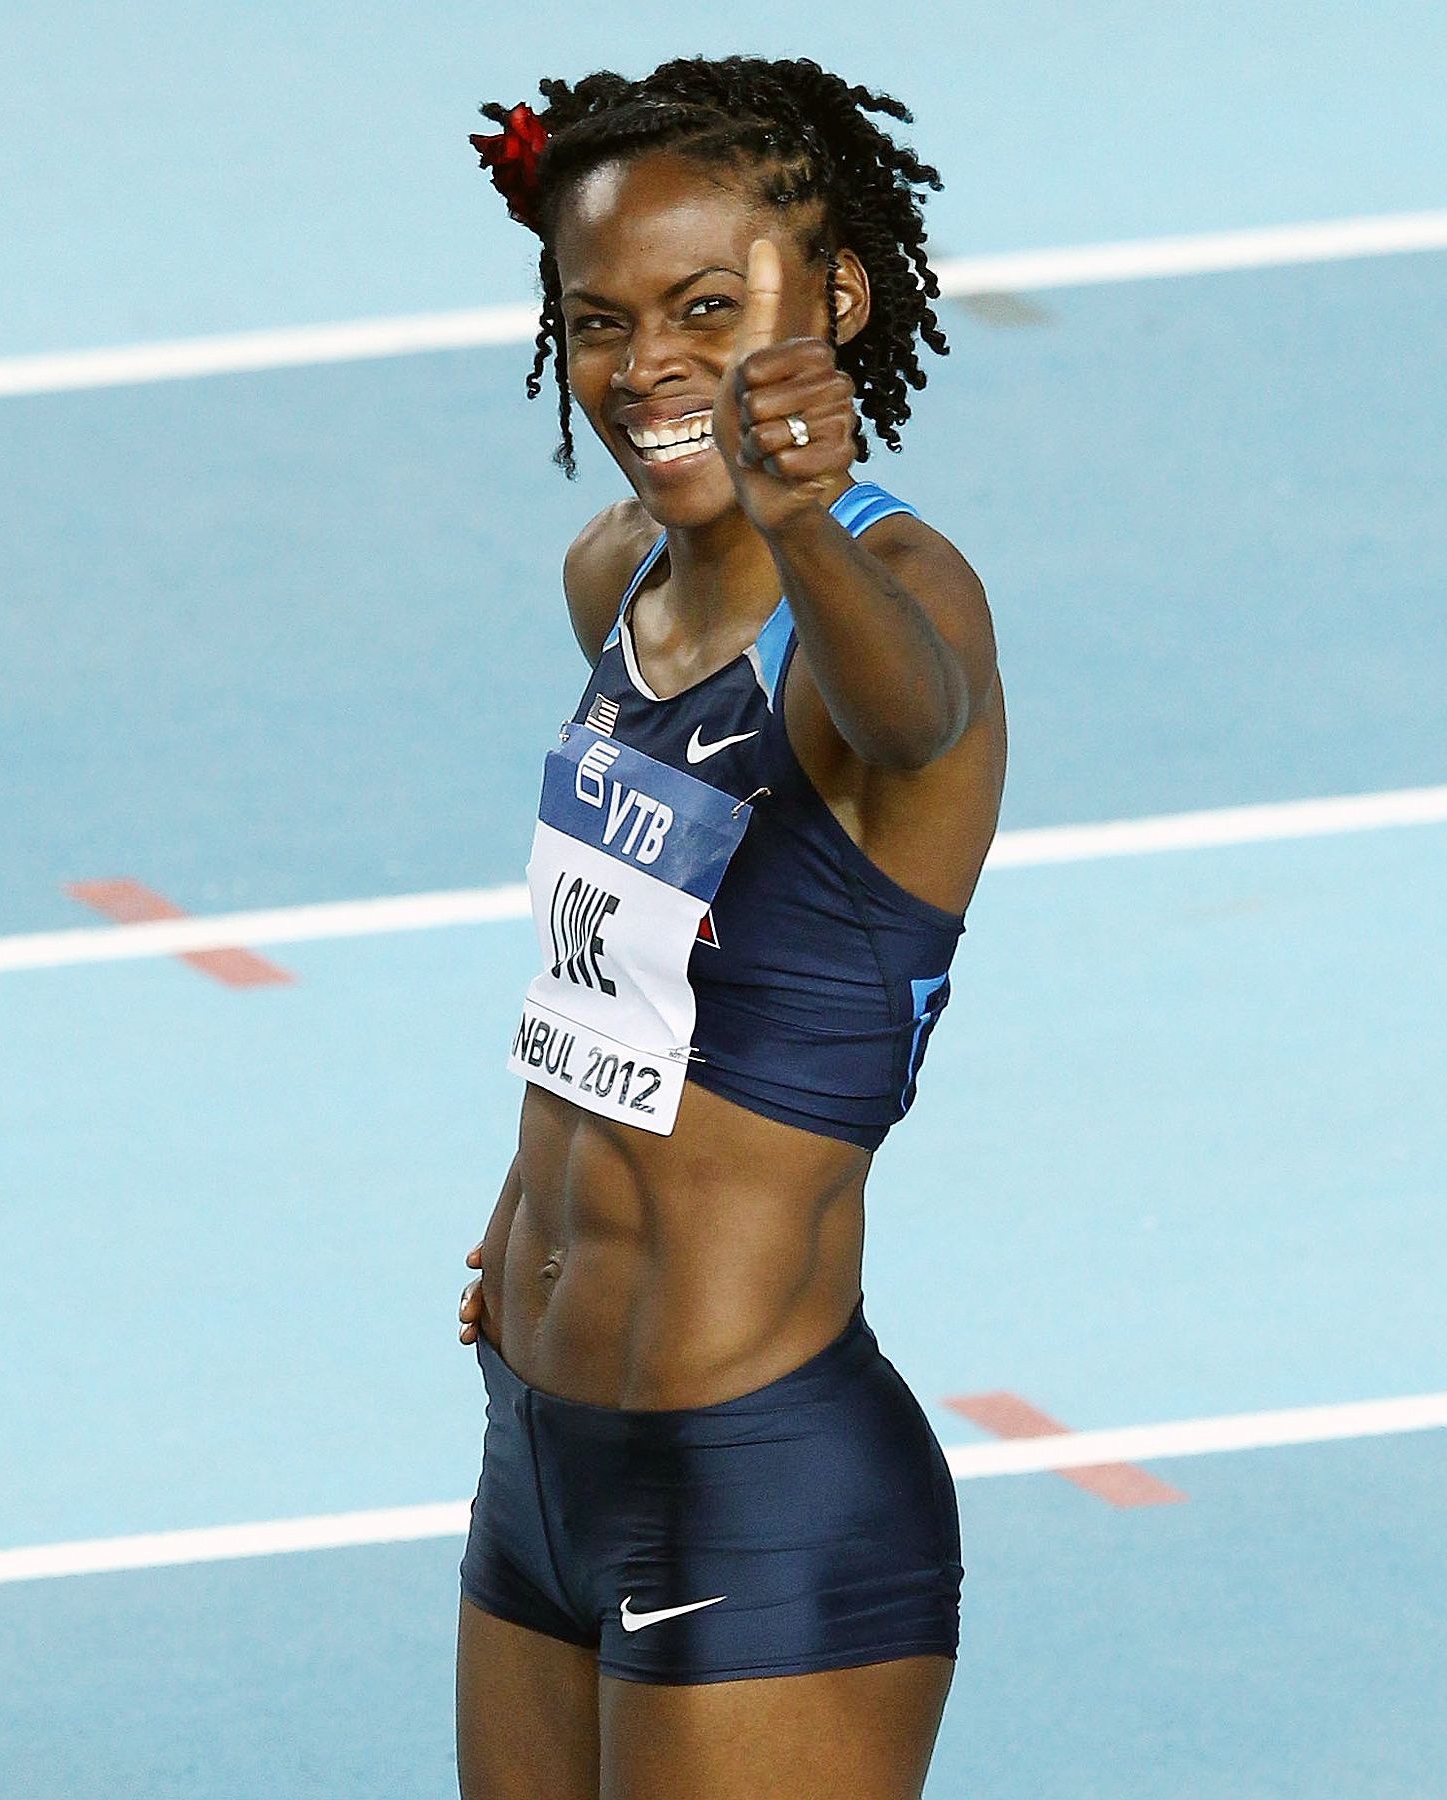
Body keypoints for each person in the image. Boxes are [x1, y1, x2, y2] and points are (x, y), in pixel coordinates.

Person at [453, 56, 1005, 1800]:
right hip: (537, 1452)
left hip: (758, 1484)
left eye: (707, 307)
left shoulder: (905, 596)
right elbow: (637, 943)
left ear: (833, 294)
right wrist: (525, 1196)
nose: (646, 368)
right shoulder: (610, 577)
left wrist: (794, 520)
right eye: (598, 320)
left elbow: (910, 718)